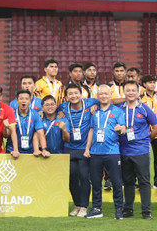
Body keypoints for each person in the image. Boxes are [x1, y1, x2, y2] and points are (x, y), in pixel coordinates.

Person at [84, 84, 126, 219]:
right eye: (100, 94)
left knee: (116, 182)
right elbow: (91, 130)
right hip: (95, 152)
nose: (103, 96)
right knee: (96, 182)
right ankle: (97, 209)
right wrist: (87, 148)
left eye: (106, 93)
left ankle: (119, 209)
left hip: (112, 151)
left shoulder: (118, 111)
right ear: (97, 96)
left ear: (110, 95)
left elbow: (124, 128)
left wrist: (120, 129)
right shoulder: (94, 111)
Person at [59, 83, 100, 217]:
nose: (73, 96)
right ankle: (77, 205)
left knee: (83, 176)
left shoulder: (91, 102)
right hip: (69, 148)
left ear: (81, 93)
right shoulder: (63, 107)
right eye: (70, 94)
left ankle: (84, 206)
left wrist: (97, 106)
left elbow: (106, 101)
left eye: (76, 93)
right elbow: (50, 109)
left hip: (84, 148)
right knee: (71, 177)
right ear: (66, 97)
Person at [119, 80, 157, 219]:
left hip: (141, 151)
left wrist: (147, 139)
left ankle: (146, 211)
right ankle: (128, 209)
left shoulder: (144, 108)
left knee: (144, 182)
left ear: (137, 92)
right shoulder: (119, 108)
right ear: (124, 92)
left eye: (133, 90)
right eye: (128, 90)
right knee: (128, 181)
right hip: (124, 150)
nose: (130, 93)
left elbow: (155, 125)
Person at [7, 90, 44, 158]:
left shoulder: (35, 114)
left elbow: (40, 132)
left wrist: (44, 149)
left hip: (31, 151)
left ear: (30, 101)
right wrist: (15, 150)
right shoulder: (12, 115)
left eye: (26, 99)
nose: (24, 101)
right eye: (21, 99)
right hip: (12, 151)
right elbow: (12, 132)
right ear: (17, 101)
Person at [140, 75, 157, 186]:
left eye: (154, 82)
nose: (153, 84)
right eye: (150, 82)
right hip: (143, 133)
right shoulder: (140, 98)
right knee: (142, 159)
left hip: (156, 133)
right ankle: (141, 182)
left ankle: (156, 182)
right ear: (144, 84)